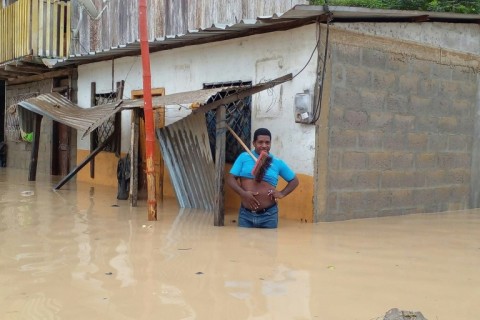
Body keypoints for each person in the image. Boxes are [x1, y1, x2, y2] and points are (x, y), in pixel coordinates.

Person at [226, 128, 299, 228]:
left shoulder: (277, 162)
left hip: (269, 216)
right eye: (260, 142)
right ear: (254, 143)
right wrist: (243, 193)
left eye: (267, 142)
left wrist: (281, 193)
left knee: (268, 243)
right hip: (245, 215)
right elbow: (230, 179)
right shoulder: (244, 157)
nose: (264, 145)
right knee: (242, 243)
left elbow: (294, 181)